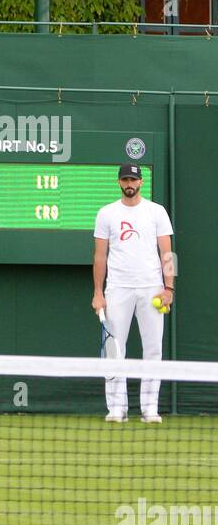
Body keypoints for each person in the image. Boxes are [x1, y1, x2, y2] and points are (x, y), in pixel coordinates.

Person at [92, 163, 174, 423]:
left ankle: (150, 408)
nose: (130, 184)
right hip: (117, 289)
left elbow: (167, 253)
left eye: (134, 180)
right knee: (115, 349)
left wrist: (169, 287)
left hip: (152, 289)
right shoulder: (106, 214)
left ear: (141, 183)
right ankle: (117, 408)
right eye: (126, 179)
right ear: (119, 182)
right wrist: (98, 292)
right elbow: (100, 255)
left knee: (153, 349)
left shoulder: (156, 212)